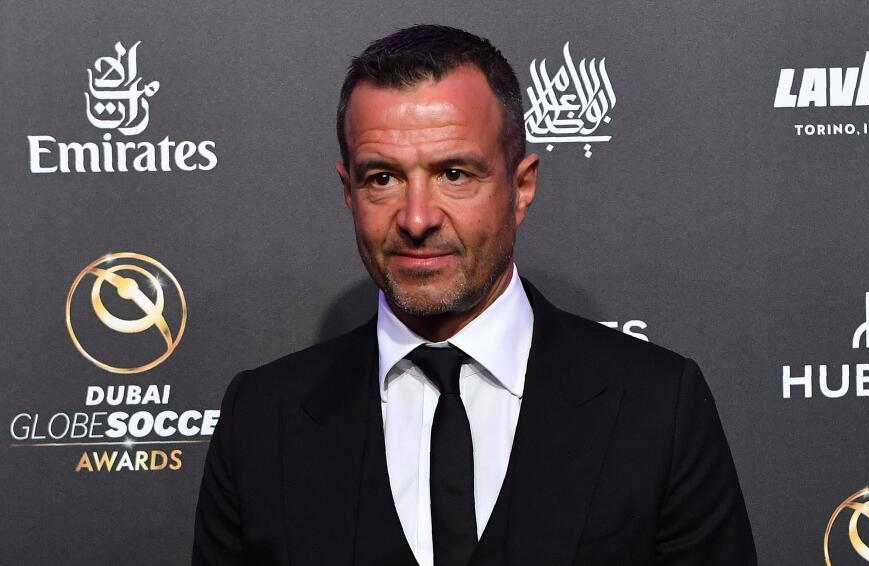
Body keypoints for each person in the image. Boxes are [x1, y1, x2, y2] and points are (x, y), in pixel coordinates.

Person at [193, 24, 756, 566]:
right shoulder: (261, 420)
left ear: (522, 187)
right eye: (382, 178)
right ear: (348, 192)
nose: (417, 219)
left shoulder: (657, 406)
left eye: (455, 174)